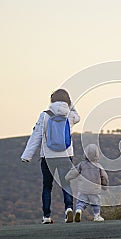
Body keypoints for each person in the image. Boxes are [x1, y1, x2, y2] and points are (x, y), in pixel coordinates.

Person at [21, 88, 80, 224]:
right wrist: (70, 104)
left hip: (48, 156)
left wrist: (27, 155)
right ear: (68, 101)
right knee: (66, 184)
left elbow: (37, 135)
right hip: (66, 155)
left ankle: (46, 216)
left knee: (47, 186)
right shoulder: (70, 115)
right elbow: (78, 117)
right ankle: (69, 209)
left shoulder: (44, 115)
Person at [65, 144, 109, 222]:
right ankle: (96, 216)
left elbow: (74, 172)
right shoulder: (98, 166)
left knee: (81, 202)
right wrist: (105, 186)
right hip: (94, 190)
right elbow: (104, 177)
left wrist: (67, 177)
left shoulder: (82, 164)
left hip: (83, 189)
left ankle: (79, 210)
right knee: (96, 203)